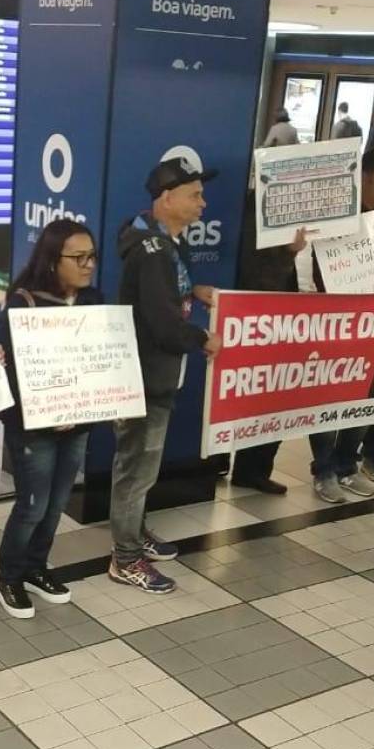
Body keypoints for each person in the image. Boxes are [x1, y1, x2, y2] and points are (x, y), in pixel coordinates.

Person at [110, 157, 223, 593]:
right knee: (136, 471)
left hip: (152, 376)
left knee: (139, 468)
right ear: (167, 198)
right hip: (145, 379)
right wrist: (201, 339)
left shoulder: (162, 243)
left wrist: (190, 290)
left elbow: (156, 298)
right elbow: (160, 321)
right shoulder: (153, 251)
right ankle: (125, 559)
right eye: (194, 195)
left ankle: (133, 534)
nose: (203, 203)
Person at [0, 219, 102, 618]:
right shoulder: (24, 302)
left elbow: (100, 360)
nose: (88, 265)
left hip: (78, 424)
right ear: (53, 260)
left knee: (56, 503)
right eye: (78, 257)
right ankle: (10, 576)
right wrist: (48, 410)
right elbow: (5, 368)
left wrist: (81, 407)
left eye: (92, 256)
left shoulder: (93, 301)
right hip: (32, 426)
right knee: (33, 504)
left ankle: (37, 566)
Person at [307, 146, 374, 502]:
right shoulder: (336, 220)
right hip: (336, 323)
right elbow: (319, 269)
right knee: (328, 401)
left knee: (365, 399)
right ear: (363, 176)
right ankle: (324, 470)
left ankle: (349, 465)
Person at [229, 194, 306, 496]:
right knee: (261, 398)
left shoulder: (283, 207)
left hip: (282, 321)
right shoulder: (253, 208)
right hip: (260, 322)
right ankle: (250, 469)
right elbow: (259, 282)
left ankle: (256, 469)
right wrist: (288, 253)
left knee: (276, 398)